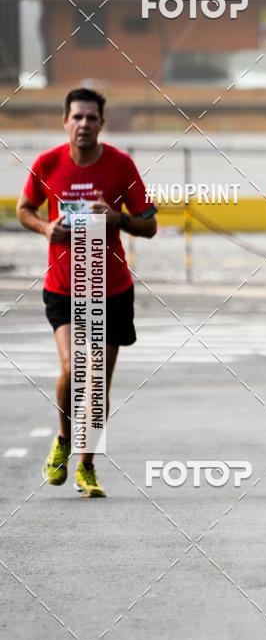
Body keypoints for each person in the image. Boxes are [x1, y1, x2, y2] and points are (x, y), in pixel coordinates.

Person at [17, 87, 157, 498]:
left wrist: (116, 217)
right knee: (71, 368)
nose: (83, 124)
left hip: (111, 289)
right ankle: (63, 438)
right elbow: (24, 208)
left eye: (91, 118)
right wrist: (46, 227)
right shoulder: (48, 163)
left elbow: (149, 224)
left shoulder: (120, 165)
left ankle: (87, 465)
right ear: (65, 121)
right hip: (64, 288)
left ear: (101, 123)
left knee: (98, 384)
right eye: (76, 117)